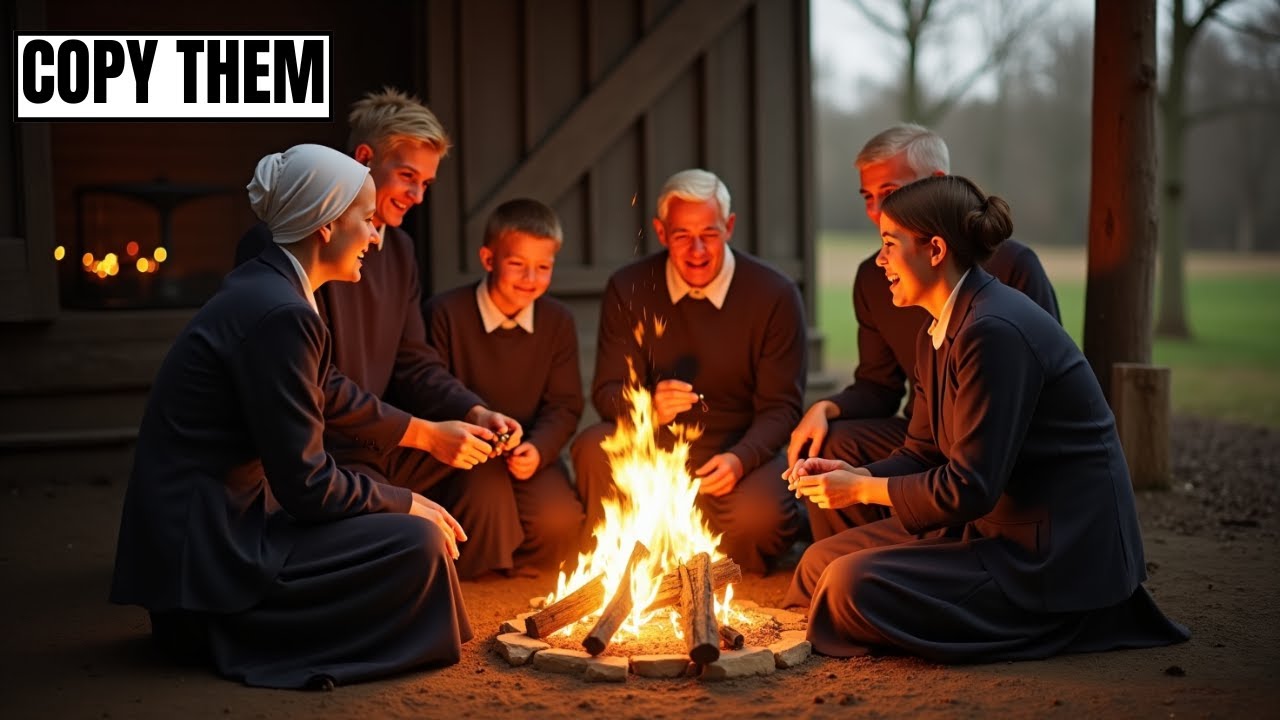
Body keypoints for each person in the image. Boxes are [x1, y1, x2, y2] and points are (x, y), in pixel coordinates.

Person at [111, 144, 476, 690]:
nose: (377, 237)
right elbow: (308, 486)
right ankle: (245, 634)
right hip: (210, 569)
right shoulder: (283, 311)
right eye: (367, 221)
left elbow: (325, 390)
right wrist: (407, 502)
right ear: (328, 226)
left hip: (202, 548)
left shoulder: (268, 285)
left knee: (402, 528)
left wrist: (423, 437)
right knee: (415, 543)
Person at [783, 175, 1189, 662]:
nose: (880, 261)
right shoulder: (938, 328)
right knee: (816, 564)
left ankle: (1066, 621)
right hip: (987, 527)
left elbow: (970, 487)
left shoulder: (992, 330)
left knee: (847, 583)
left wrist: (860, 491)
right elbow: (921, 453)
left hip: (1048, 552)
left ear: (934, 249)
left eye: (890, 245)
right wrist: (857, 474)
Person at [236, 88, 526, 578]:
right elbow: (313, 381)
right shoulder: (288, 243)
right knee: (413, 530)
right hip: (324, 448)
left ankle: (460, 582)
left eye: (427, 184)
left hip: (382, 436)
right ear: (364, 159)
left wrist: (471, 411)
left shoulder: (402, 250)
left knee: (485, 475)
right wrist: (425, 435)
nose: (416, 196)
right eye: (407, 176)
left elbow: (414, 359)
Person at [787, 123, 1062, 539]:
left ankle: (902, 558)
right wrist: (826, 409)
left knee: (845, 578)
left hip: (998, 451)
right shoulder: (874, 278)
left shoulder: (1011, 273)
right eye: (868, 197)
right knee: (834, 446)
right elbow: (880, 387)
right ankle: (857, 552)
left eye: (890, 191)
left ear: (936, 185)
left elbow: (1039, 393)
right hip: (928, 439)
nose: (878, 208)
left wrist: (868, 484)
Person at [571, 168, 805, 574]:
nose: (697, 250)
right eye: (682, 235)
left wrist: (740, 459)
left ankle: (707, 555)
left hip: (738, 454)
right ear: (661, 233)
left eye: (709, 234)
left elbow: (782, 408)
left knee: (761, 520)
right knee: (593, 447)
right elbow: (606, 391)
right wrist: (647, 407)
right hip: (653, 453)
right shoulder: (629, 287)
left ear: (729, 227)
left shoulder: (774, 294)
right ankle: (637, 560)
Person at [422, 198, 586, 576]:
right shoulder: (445, 313)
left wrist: (538, 448)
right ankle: (482, 589)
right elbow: (430, 388)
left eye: (543, 267)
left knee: (559, 521)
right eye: (517, 264)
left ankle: (524, 583)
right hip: (467, 452)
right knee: (484, 514)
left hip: (526, 447)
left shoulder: (557, 321)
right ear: (488, 258)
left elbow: (564, 405)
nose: (530, 279)